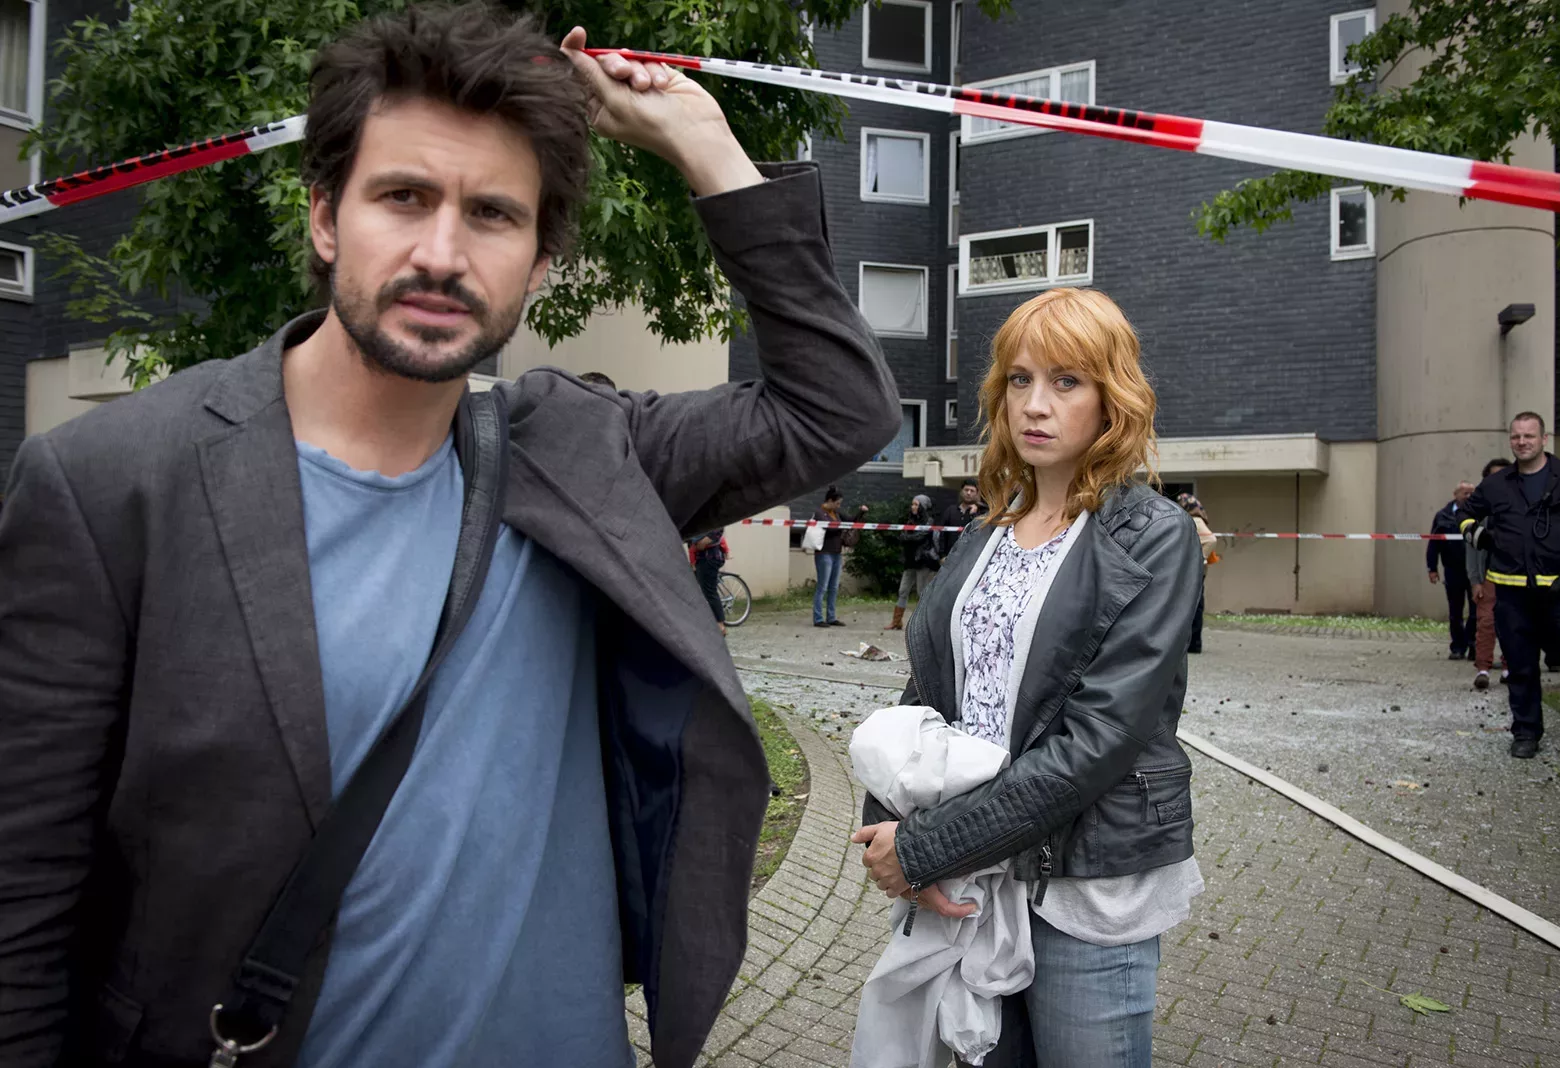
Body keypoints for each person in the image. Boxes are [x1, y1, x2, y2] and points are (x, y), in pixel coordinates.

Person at [0, 6, 901, 1065]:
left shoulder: (578, 453)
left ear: (542, 260)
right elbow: (23, 895)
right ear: (324, 217)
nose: (441, 253)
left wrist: (705, 145)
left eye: (492, 214)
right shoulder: (114, 483)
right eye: (403, 197)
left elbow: (838, 409)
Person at [852, 287, 1204, 1067]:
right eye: (1020, 380)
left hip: (1083, 882)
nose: (1035, 405)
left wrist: (927, 847)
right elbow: (928, 695)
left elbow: (1098, 740)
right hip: (974, 882)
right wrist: (890, 821)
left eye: (1066, 381)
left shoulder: (1153, 536)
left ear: (1112, 398)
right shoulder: (988, 531)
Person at [1460, 412, 1560, 757]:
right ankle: (1525, 732)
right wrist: (1479, 535)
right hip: (1512, 592)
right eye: (1516, 436)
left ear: (1544, 439)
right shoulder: (1496, 484)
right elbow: (1463, 514)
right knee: (1520, 664)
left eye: (1529, 436)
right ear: (1511, 440)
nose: (1522, 442)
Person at [1468, 458, 1511, 689]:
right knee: (1486, 622)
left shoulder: (1521, 506)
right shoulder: (1479, 510)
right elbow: (1472, 549)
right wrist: (1475, 580)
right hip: (1489, 577)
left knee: (1513, 624)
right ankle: (1483, 669)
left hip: (1516, 576)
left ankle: (1508, 667)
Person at [1428, 480, 1477, 660]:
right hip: (1453, 570)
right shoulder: (1443, 516)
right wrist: (1432, 568)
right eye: (1465, 493)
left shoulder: (1479, 514)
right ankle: (1457, 646)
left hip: (1475, 571)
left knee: (1476, 611)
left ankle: (1473, 644)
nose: (1469, 497)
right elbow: (1434, 543)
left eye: (1472, 493)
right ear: (1455, 495)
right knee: (1455, 611)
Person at [812, 486, 868, 628]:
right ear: (830, 501)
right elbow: (829, 528)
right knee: (822, 587)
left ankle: (831, 617)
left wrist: (861, 512)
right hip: (824, 554)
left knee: (834, 587)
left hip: (837, 553)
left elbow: (850, 520)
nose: (839, 506)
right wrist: (841, 526)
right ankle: (818, 618)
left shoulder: (836, 513)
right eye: (837, 503)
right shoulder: (819, 513)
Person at [885, 494, 940, 630]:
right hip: (910, 561)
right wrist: (908, 536)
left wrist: (908, 537)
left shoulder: (929, 521)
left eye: (916, 504)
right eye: (912, 504)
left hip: (922, 560)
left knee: (922, 592)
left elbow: (919, 536)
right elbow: (902, 536)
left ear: (923, 506)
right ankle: (896, 621)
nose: (913, 507)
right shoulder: (910, 520)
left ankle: (923, 623)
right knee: (903, 590)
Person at [1176, 492, 1218, 654]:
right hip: (1197, 572)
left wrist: (1200, 558)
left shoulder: (1194, 521)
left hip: (1192, 572)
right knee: (1196, 605)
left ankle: (1193, 643)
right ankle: (1194, 643)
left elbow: (1211, 540)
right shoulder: (1197, 519)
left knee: (1191, 606)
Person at [689, 527, 728, 636]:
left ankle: (720, 626)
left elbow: (718, 528)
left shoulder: (714, 522)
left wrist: (704, 541)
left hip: (708, 557)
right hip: (701, 557)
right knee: (700, 589)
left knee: (709, 592)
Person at [939, 477, 988, 559]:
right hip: (950, 557)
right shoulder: (951, 510)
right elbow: (942, 534)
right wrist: (942, 555)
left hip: (971, 557)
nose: (968, 493)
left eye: (972, 491)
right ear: (961, 491)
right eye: (966, 490)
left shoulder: (981, 512)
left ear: (976, 493)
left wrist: (975, 512)